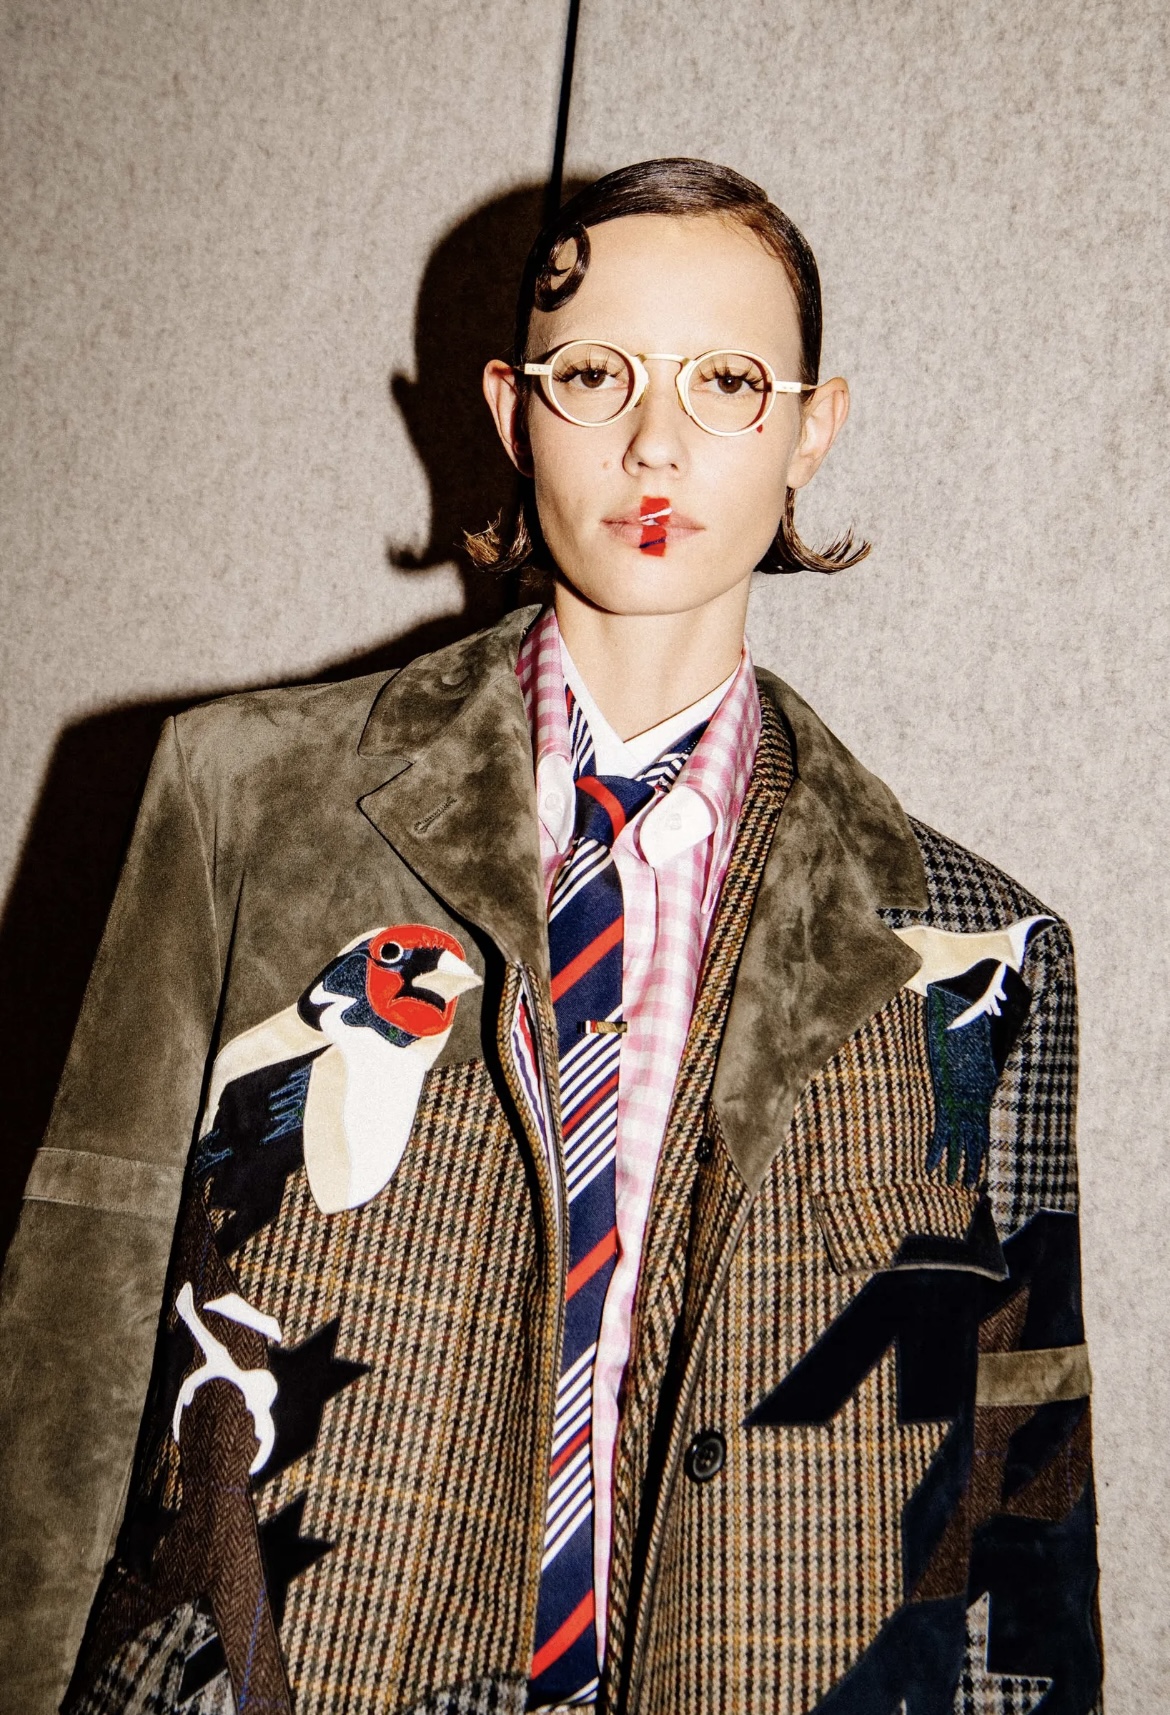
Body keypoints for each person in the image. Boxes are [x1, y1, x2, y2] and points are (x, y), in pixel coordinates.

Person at [0, 159, 1103, 1715]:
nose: (656, 440)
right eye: (595, 374)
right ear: (513, 411)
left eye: (726, 381)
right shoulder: (243, 801)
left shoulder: (976, 949)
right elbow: (73, 1336)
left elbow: (1019, 1479)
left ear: (812, 428)